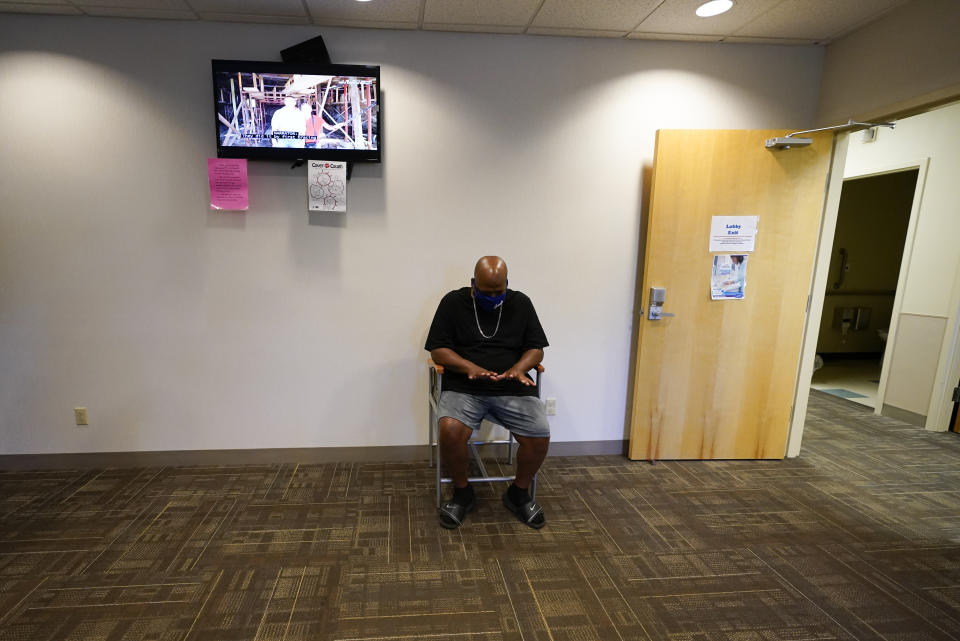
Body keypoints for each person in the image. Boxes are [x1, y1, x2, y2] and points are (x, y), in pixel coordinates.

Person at [425, 256, 550, 529]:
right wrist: (468, 366)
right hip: (464, 387)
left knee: (539, 432)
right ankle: (462, 493)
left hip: (512, 386)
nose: (493, 297)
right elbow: (438, 349)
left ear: (507, 284)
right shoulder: (453, 302)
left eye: (498, 292)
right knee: (450, 429)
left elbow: (536, 348)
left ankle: (518, 493)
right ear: (473, 285)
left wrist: (520, 367)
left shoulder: (521, 303)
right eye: (486, 292)